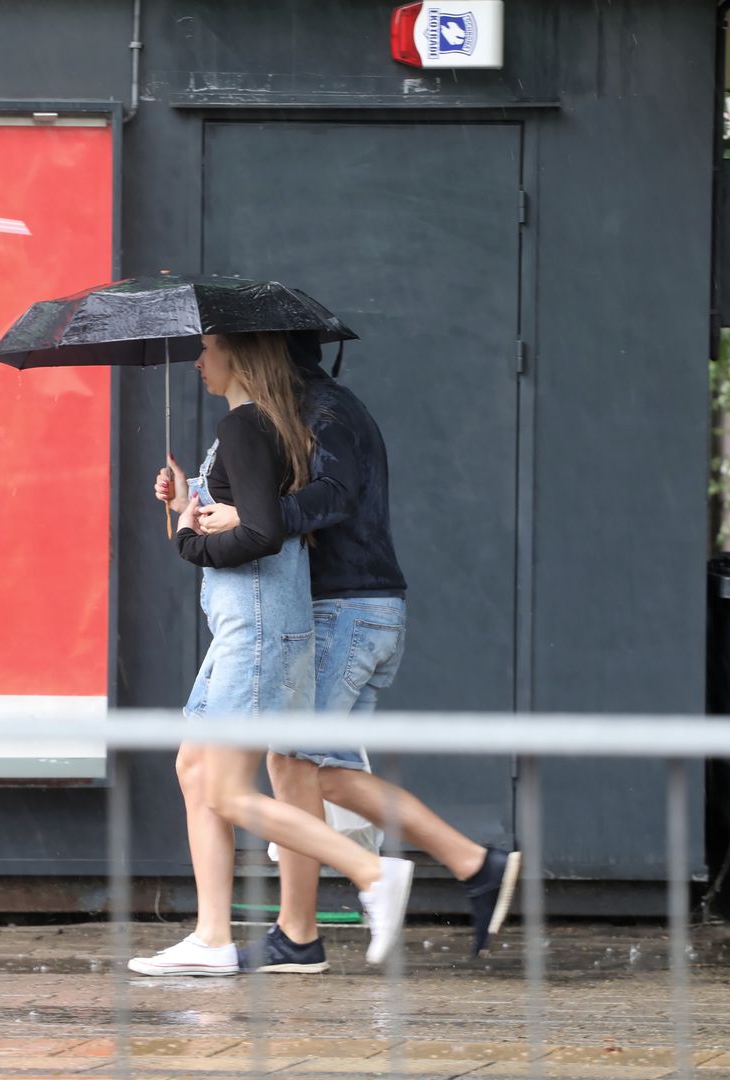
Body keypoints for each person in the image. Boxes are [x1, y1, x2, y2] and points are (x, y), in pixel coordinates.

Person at [193, 331, 521, 972]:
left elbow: (335, 497)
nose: (202, 360)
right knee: (327, 772)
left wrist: (250, 517)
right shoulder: (305, 409)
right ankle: (475, 865)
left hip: (346, 608)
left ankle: (299, 933)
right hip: (357, 609)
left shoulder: (325, 409)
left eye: (214, 348)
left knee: (290, 762)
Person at [129, 331, 415, 978]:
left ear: (240, 355)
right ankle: (210, 937)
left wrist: (187, 537)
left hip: (257, 627)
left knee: (233, 786)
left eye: (207, 349)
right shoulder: (252, 427)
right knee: (194, 768)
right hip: (240, 625)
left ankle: (371, 872)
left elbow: (258, 534)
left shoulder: (249, 427)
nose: (198, 361)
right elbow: (245, 518)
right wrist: (185, 506)